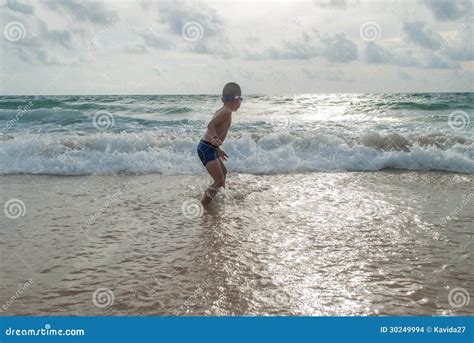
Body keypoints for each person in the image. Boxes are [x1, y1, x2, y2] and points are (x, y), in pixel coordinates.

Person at [197, 82, 243, 205]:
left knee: (223, 174)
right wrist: (215, 137)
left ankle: (214, 201)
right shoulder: (226, 112)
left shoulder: (223, 110)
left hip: (209, 147)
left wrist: (218, 149)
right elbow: (211, 125)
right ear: (236, 99)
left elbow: (214, 128)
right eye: (241, 99)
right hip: (206, 148)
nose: (241, 103)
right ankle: (203, 206)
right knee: (219, 181)